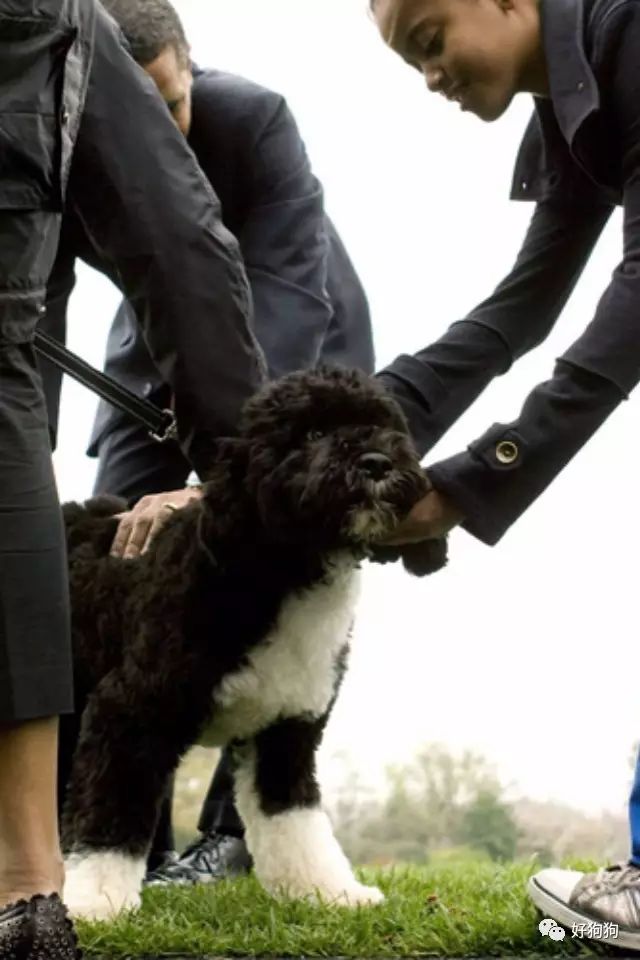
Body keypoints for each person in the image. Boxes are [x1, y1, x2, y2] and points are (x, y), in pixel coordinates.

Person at [47, 0, 375, 890]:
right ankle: (111, 835)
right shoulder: (50, 136)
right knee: (106, 576)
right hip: (147, 357)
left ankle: (234, 838)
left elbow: (284, 286)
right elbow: (36, 294)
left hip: (292, 343)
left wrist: (224, 471)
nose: (154, 137)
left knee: (284, 582)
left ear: (192, 67)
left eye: (171, 105)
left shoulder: (255, 119)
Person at [364, 0, 640, 949]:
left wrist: (469, 484)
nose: (429, 76)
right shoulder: (576, 104)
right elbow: (515, 316)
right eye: (412, 64)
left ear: (509, 2)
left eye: (431, 41)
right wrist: (338, 428)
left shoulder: (629, 29)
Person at [0, 0, 265, 954]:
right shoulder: (53, 28)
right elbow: (181, 244)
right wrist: (242, 473)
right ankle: (26, 889)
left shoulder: (257, 126)